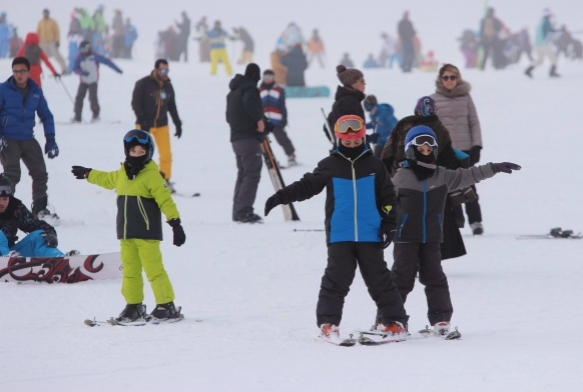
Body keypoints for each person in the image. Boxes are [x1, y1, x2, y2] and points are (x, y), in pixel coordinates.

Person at [264, 115, 410, 341]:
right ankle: (328, 324)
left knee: (380, 280)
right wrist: (281, 196)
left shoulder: (374, 165)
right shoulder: (330, 165)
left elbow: (388, 197)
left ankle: (394, 322)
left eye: (356, 140)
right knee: (336, 280)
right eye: (347, 141)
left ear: (362, 138)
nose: (351, 144)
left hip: (370, 234)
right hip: (340, 235)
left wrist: (390, 224)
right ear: (339, 139)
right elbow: (307, 186)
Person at [390, 125, 520, 335]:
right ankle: (391, 320)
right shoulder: (401, 177)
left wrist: (494, 167)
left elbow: (470, 174)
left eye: (429, 149)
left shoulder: (442, 175)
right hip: (405, 238)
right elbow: (386, 204)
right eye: (421, 149)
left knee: (435, 279)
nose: (425, 153)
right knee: (400, 280)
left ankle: (441, 320)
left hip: (431, 238)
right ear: (411, 150)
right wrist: (385, 228)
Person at [70, 129, 186, 322]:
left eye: (141, 152)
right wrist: (88, 173)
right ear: (127, 152)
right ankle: (134, 306)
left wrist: (175, 224)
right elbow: (106, 179)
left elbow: (165, 200)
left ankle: (167, 306)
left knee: (154, 271)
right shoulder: (122, 174)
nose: (137, 155)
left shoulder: (152, 175)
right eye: (134, 152)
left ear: (148, 153)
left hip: (147, 234)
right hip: (126, 234)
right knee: (130, 272)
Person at [381, 96, 466, 260]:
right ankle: (433, 257)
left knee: (409, 219)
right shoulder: (438, 129)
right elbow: (448, 157)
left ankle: (419, 258)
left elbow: (389, 151)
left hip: (406, 177)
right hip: (432, 178)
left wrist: (385, 171)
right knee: (437, 219)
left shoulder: (406, 125)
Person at [0, 57, 59, 219]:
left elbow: (46, 115)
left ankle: (39, 210)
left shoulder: (35, 91)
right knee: (12, 173)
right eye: (16, 71)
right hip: (7, 139)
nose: (19, 75)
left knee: (40, 172)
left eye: (22, 71)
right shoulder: (3, 90)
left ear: (28, 72)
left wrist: (51, 139)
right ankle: (5, 210)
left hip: (27, 138)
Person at [431, 64, 484, 234]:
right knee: (447, 187)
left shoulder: (466, 97)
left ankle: (476, 221)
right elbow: (431, 127)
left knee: (469, 184)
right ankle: (454, 221)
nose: (449, 81)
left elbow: (474, 122)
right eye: (445, 77)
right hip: (445, 151)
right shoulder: (433, 99)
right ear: (440, 79)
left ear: (458, 78)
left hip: (466, 149)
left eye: (452, 77)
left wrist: (477, 145)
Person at [131, 59, 183, 192]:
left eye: (167, 70)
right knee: (140, 154)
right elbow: (135, 103)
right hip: (144, 124)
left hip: (161, 125)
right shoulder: (143, 83)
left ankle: (164, 181)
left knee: (166, 155)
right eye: (162, 70)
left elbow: (172, 106)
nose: (165, 73)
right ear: (155, 70)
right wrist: (142, 119)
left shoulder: (168, 86)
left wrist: (178, 123)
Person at [226, 63, 265, 224]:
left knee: (243, 173)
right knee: (252, 173)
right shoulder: (249, 88)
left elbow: (229, 116)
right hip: (248, 138)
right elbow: (250, 104)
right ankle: (244, 211)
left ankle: (238, 211)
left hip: (236, 138)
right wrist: (259, 120)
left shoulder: (233, 91)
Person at [0, 174, 74, 257]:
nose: (1, 203)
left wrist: (49, 234)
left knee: (39, 236)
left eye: (5, 199)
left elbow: (37, 225)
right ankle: (7, 260)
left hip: (12, 256)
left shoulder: (15, 208)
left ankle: (59, 261)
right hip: (5, 258)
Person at [72, 40, 123, 122]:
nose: (82, 52)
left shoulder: (95, 56)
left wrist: (117, 69)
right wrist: (82, 73)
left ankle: (95, 115)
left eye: (84, 50)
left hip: (93, 81)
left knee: (93, 98)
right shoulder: (79, 57)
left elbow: (107, 62)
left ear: (88, 48)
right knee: (79, 98)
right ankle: (77, 116)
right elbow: (74, 68)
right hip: (83, 81)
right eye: (81, 50)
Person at [259, 69, 297, 166]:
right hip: (263, 121)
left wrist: (284, 119)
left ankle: (291, 156)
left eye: (270, 77)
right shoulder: (259, 90)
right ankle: (267, 159)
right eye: (266, 77)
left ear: (273, 78)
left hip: (276, 121)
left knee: (282, 139)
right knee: (262, 141)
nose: (268, 79)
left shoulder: (279, 90)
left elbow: (282, 105)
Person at [325, 65, 366, 143]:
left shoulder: (341, 100)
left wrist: (336, 143)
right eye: (362, 81)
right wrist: (368, 138)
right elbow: (350, 130)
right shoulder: (349, 102)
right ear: (353, 83)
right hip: (352, 151)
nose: (365, 84)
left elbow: (327, 125)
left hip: (342, 149)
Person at [525, 9, 560, 78]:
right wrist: (561, 31)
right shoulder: (546, 22)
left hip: (536, 45)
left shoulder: (541, 21)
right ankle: (552, 72)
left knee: (540, 60)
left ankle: (528, 70)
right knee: (553, 58)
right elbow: (551, 31)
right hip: (543, 44)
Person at [36, 9, 67, 74]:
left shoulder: (53, 22)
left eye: (46, 13)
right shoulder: (41, 22)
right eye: (44, 13)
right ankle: (37, 71)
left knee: (57, 55)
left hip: (51, 42)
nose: (45, 14)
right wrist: (36, 42)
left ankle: (64, 69)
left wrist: (57, 41)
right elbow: (37, 32)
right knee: (39, 57)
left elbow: (57, 32)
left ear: (48, 13)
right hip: (43, 42)